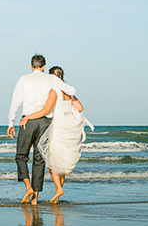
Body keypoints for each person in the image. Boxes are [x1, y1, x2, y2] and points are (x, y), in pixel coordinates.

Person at [8, 54, 77, 205]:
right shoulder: (52, 79)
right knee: (39, 160)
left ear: (31, 66)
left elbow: (16, 101)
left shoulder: (24, 79)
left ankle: (28, 188)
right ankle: (35, 198)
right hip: (46, 122)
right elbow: (72, 90)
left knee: (21, 156)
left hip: (28, 121)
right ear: (44, 67)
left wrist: (11, 122)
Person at [28, 66, 93, 203]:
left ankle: (58, 189)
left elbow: (46, 109)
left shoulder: (54, 91)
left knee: (53, 160)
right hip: (69, 127)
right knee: (62, 160)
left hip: (58, 126)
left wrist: (29, 116)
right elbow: (80, 108)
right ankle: (58, 194)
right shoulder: (68, 92)